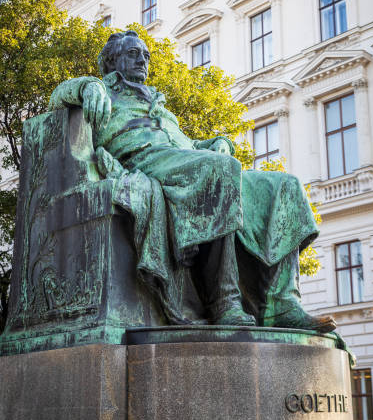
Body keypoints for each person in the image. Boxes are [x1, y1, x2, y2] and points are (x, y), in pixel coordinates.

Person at [49, 30, 336, 333]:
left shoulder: (160, 106)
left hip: (187, 161)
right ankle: (224, 302)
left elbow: (189, 145)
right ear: (111, 61)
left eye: (146, 55)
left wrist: (219, 143)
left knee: (284, 186)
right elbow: (58, 97)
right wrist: (87, 85)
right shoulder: (105, 91)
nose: (142, 60)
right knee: (220, 171)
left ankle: (283, 304)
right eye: (133, 53)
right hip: (144, 160)